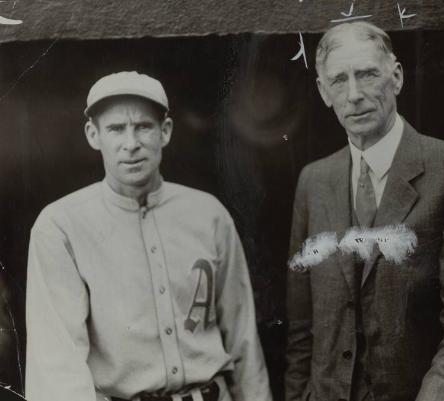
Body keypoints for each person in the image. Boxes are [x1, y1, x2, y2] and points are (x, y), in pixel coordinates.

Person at [285, 22, 444, 401]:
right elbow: (302, 326)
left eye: (368, 74)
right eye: (339, 81)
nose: (354, 95)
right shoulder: (313, 181)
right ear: (323, 92)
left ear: (396, 77)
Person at [25, 71, 272, 401]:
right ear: (93, 135)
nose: (131, 143)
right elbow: (58, 364)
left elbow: (243, 340)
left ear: (165, 132)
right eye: (116, 129)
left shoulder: (209, 214)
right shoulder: (60, 226)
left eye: (143, 126)